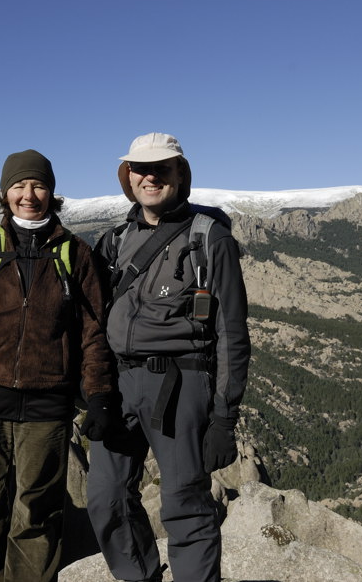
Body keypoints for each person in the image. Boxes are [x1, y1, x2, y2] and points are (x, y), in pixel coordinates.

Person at [0, 149, 116, 582]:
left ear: (51, 193)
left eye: (37, 185)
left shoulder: (75, 254)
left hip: (46, 406)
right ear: (5, 193)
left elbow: (93, 335)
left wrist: (98, 396)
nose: (28, 195)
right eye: (19, 186)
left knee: (37, 514)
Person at [86, 133, 251, 582]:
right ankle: (138, 575)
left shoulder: (208, 238)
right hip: (119, 386)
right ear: (128, 178)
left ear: (181, 174)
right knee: (106, 496)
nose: (150, 176)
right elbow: (89, 319)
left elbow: (232, 332)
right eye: (140, 168)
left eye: (162, 167)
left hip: (181, 384)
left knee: (185, 503)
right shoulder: (114, 241)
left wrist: (224, 418)